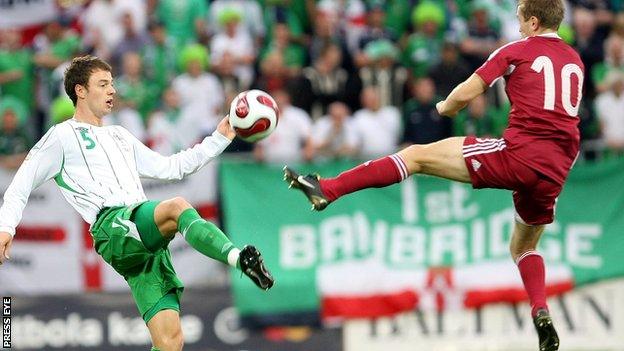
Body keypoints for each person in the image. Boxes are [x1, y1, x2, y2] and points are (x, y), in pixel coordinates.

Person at [284, 1, 582, 351]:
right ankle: (541, 309)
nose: (517, 26)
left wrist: (444, 107)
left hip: (517, 154)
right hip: (557, 168)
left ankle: (328, 189)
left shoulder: (516, 50)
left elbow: (468, 92)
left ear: (533, 21)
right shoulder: (575, 60)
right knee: (525, 247)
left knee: (416, 157)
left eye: (519, 19)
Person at [0, 56, 274, 351]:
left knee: (170, 342)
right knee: (177, 207)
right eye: (103, 84)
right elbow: (21, 183)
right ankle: (238, 259)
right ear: (80, 90)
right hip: (114, 228)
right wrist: (5, 228)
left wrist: (220, 138)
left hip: (143, 241)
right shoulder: (61, 136)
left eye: (112, 84)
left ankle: (236, 261)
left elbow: (172, 168)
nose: (112, 90)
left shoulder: (119, 135)